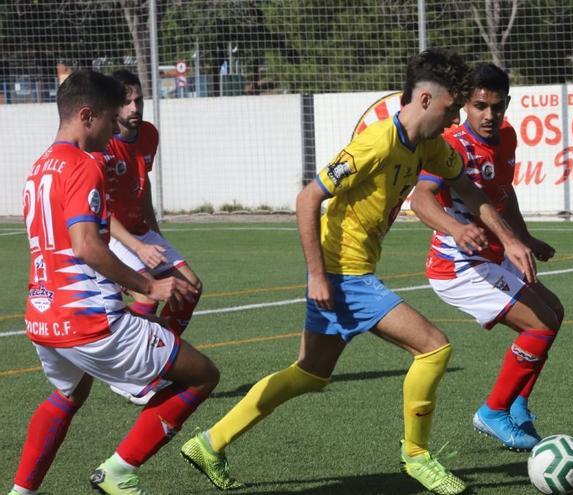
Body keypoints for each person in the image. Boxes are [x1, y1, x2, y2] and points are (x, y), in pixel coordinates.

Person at [179, 48, 535, 495]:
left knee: (309, 373)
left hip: (351, 272)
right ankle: (417, 457)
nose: (454, 118)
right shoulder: (376, 143)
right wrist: (315, 274)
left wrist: (510, 238)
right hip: (343, 274)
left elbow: (468, 187)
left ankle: (209, 443)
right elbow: (309, 198)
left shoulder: (429, 145)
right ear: (426, 100)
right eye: (450, 108)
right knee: (434, 348)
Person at [9, 69, 218, 495]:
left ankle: (21, 492)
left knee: (67, 397)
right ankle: (119, 471)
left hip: (43, 318)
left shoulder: (39, 167)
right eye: (109, 118)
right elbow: (86, 245)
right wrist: (147, 285)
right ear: (87, 116)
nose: (114, 128)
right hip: (92, 321)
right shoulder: (84, 165)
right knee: (202, 375)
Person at [411, 63, 564, 451]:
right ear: (465, 105)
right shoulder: (452, 145)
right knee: (540, 324)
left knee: (554, 313)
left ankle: (516, 404)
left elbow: (503, 191)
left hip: (492, 255)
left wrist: (521, 236)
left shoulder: (505, 136)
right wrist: (457, 229)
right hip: (457, 265)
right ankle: (492, 412)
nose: (489, 116)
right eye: (480, 106)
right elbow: (422, 199)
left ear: (507, 104)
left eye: (497, 107)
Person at [103, 69, 203, 338]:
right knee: (148, 297)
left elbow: (141, 184)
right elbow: (100, 209)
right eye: (127, 102)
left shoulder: (149, 134)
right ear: (113, 105)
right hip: (112, 236)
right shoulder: (104, 146)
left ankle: (164, 353)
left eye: (139, 100)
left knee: (189, 288)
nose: (134, 107)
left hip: (141, 231)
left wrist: (155, 233)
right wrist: (138, 247)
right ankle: (129, 360)